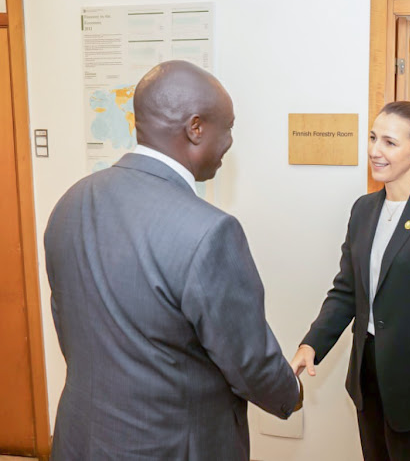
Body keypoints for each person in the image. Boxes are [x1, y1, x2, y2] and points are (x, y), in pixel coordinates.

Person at [44, 60, 302, 460]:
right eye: (228, 127)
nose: (231, 141)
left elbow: (71, 329)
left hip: (82, 440)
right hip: (170, 446)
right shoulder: (210, 232)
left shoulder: (71, 202)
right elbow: (248, 360)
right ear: (195, 128)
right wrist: (292, 394)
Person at [290, 101, 410, 460]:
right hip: (368, 372)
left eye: (389, 143)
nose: (375, 151)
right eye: (374, 138)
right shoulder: (363, 209)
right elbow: (346, 291)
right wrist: (311, 344)